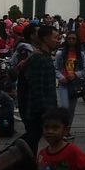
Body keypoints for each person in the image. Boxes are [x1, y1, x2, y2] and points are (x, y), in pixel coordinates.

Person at [20, 24, 61, 157]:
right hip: (38, 111)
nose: (57, 40)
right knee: (31, 141)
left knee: (32, 139)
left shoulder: (46, 56)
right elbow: (37, 88)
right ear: (45, 38)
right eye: (55, 37)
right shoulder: (38, 58)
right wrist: (45, 111)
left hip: (45, 109)